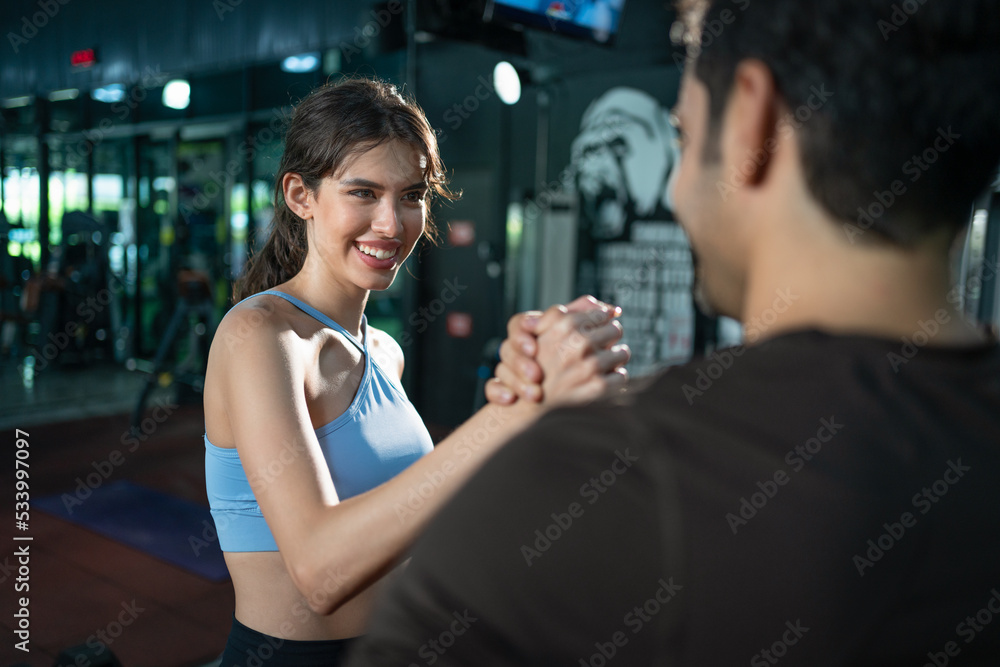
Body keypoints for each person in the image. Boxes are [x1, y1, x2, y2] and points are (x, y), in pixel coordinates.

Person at [343, 1, 1000, 664]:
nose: (680, 185)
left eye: (683, 136)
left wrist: (555, 435)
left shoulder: (580, 490)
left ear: (751, 121)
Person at [202, 77, 631, 666]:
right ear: (301, 195)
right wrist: (507, 415)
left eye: (410, 195)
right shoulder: (259, 335)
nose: (391, 223)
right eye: (363, 192)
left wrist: (537, 389)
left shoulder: (383, 351)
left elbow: (411, 523)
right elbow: (320, 575)